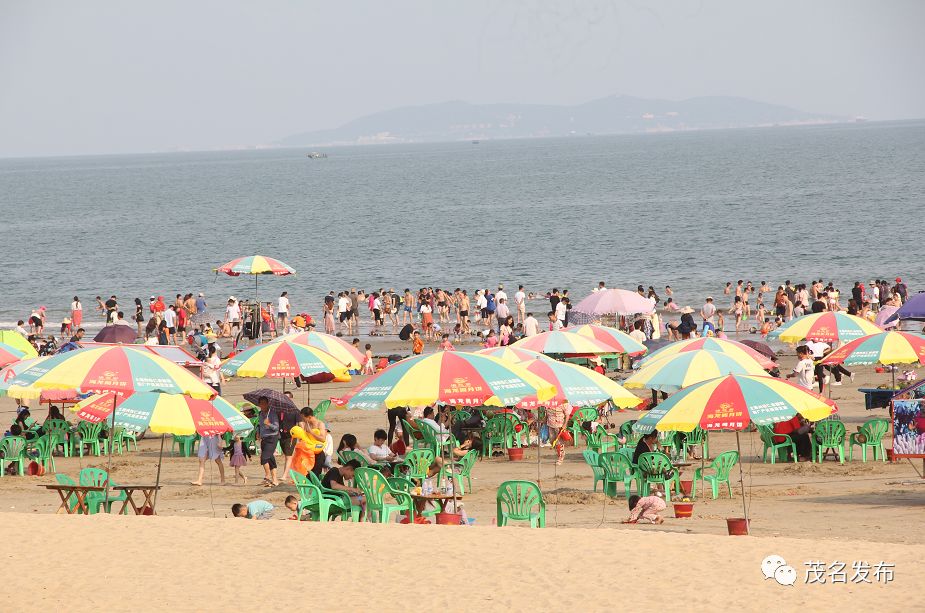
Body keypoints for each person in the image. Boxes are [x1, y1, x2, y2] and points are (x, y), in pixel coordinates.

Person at [256, 396, 280, 487]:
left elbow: (276, 428)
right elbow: (259, 425)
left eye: (264, 403)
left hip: (272, 437)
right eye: (261, 403)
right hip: (264, 438)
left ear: (267, 404)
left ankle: (267, 476)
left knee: (264, 458)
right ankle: (275, 480)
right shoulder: (260, 414)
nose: (263, 405)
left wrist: (269, 424)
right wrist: (258, 432)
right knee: (270, 459)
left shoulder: (272, 414)